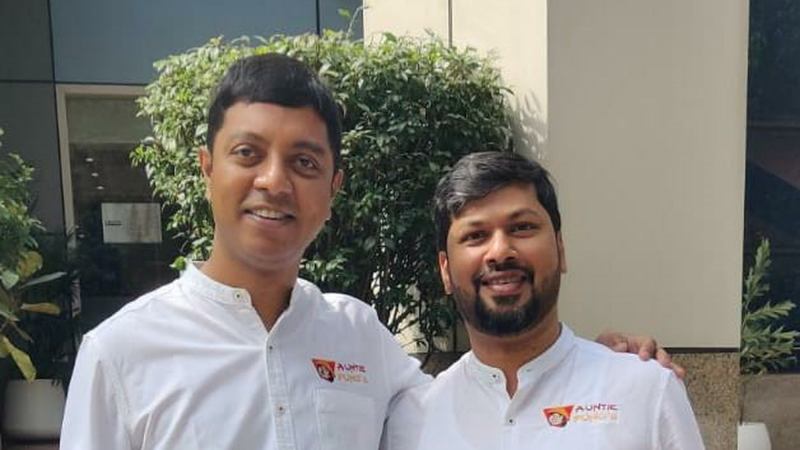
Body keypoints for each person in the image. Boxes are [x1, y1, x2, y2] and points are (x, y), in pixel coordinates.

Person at [61, 54, 682, 450]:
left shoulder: (358, 337)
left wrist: (601, 366)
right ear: (206, 168)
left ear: (332, 188)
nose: (274, 182)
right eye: (247, 154)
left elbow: (494, 395)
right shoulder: (121, 354)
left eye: (304, 162)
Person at [381, 151, 705, 450]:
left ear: (560, 249)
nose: (500, 252)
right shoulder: (411, 420)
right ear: (445, 270)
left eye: (522, 227)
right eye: (475, 236)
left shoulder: (645, 390)